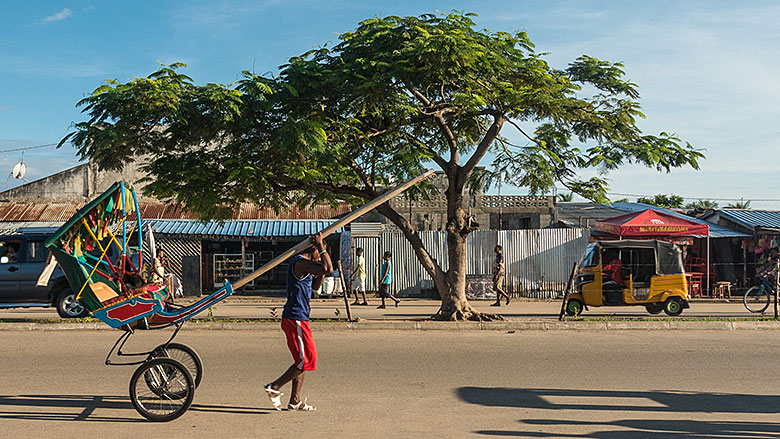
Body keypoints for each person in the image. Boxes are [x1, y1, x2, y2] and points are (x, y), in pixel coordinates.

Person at [265, 233, 332, 411]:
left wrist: (322, 271)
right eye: (319, 251)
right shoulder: (300, 263)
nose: (320, 255)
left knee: (302, 360)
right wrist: (321, 248)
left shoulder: (308, 266)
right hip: (295, 318)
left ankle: (295, 400)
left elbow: (316, 287)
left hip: (300, 317)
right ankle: (275, 386)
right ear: (313, 249)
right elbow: (329, 267)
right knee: (307, 360)